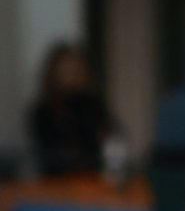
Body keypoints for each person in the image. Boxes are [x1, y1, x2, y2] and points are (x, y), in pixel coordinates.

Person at [27, 42, 118, 177]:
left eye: (74, 69)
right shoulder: (43, 112)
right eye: (65, 70)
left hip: (93, 179)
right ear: (54, 72)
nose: (70, 75)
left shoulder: (92, 105)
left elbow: (105, 140)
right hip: (56, 181)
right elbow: (48, 151)